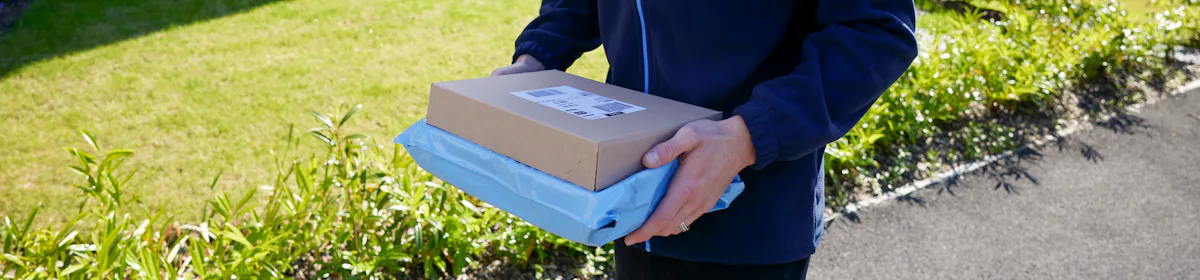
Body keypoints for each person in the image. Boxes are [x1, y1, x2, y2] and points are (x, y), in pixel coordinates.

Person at [491, 0, 918, 279]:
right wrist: (538, 57)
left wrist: (748, 135)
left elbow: (877, 30)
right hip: (632, 200)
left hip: (750, 218)